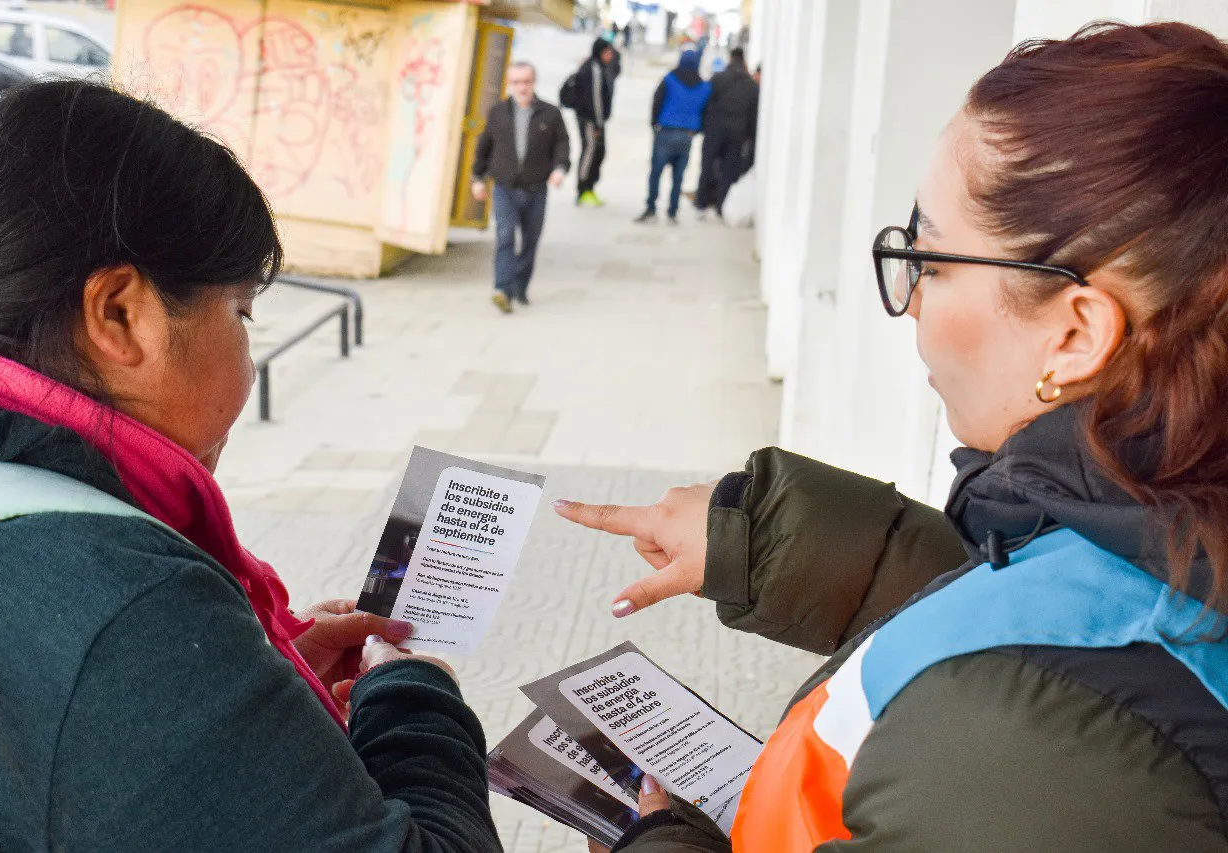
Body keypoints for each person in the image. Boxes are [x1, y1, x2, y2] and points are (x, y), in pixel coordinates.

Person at [562, 22, 1228, 852]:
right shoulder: (1152, 514)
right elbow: (1053, 595)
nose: (912, 298)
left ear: (1075, 333)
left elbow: (1041, 681)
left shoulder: (1038, 744)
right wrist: (770, 542)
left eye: (934, 259)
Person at [0, 80, 501, 851]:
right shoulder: (129, 611)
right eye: (241, 312)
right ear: (120, 315)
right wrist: (414, 697)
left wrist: (245, 701)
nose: (249, 355)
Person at [472, 61, 570, 313]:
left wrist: (560, 169)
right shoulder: (499, 112)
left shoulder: (549, 113)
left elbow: (562, 145)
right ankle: (503, 289)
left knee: (529, 241)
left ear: (533, 83)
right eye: (516, 82)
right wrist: (478, 178)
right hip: (505, 187)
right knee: (505, 236)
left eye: (526, 82)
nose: (522, 87)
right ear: (509, 85)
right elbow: (485, 147)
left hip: (536, 189)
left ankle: (520, 287)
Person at [636, 49, 710, 225]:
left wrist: (654, 125)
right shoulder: (704, 87)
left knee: (656, 173)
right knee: (678, 177)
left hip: (666, 132)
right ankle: (672, 212)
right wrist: (697, 130)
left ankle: (651, 208)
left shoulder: (669, 79)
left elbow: (657, 101)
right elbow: (707, 112)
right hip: (687, 135)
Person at [694, 47, 758, 221]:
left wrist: (702, 126)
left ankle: (701, 204)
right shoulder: (751, 85)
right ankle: (721, 206)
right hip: (736, 134)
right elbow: (753, 116)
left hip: (714, 131)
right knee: (728, 171)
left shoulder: (718, 78)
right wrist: (750, 137)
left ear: (730, 59)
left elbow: (705, 104)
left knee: (706, 167)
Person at [573, 38, 617, 208]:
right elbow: (596, 99)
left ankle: (589, 188)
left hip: (594, 120)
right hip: (590, 120)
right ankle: (582, 190)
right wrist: (598, 124)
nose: (610, 56)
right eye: (607, 52)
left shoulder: (600, 67)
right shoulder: (593, 68)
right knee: (590, 152)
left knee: (599, 152)